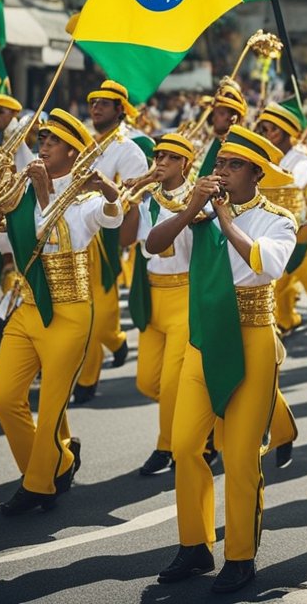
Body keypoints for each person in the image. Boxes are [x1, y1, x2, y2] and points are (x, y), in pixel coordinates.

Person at [150, 126, 297, 594]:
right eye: (220, 164)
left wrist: (224, 218)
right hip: (205, 337)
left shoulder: (279, 218)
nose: (223, 172)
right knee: (185, 445)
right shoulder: (197, 214)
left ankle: (240, 555)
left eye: (234, 166)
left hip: (253, 337)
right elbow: (154, 245)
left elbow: (266, 265)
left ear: (256, 172)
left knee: (238, 456)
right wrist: (193, 210)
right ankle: (194, 545)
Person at [0, 109, 124, 515]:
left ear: (71, 151)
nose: (42, 147)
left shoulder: (86, 199)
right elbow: (11, 248)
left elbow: (107, 220)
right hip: (29, 306)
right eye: (42, 140)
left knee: (50, 410)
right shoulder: (24, 190)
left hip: (69, 314)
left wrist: (50, 192)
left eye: (51, 142)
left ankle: (37, 485)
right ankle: (59, 462)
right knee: (3, 397)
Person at [122, 133, 196, 476]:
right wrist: (129, 198)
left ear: (185, 163)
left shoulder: (201, 198)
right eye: (158, 156)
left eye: (169, 157)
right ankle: (198, 423)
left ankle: (167, 446)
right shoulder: (148, 198)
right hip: (153, 296)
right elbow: (127, 241)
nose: (160, 162)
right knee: (146, 382)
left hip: (185, 295)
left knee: (170, 384)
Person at [74, 80, 149, 403]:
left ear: (120, 110)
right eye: (93, 103)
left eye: (104, 103)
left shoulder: (128, 148)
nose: (96, 108)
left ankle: (113, 343)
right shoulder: (83, 144)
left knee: (100, 314)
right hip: (75, 232)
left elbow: (133, 198)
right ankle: (88, 375)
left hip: (105, 237)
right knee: (82, 311)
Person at [255, 103, 307, 335]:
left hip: (291, 223)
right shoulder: (263, 153)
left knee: (279, 274)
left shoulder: (302, 158)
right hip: (261, 219)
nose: (267, 134)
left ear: (285, 131)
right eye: (264, 129)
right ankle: (283, 318)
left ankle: (278, 322)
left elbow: (295, 181)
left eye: (272, 129)